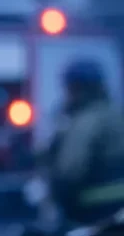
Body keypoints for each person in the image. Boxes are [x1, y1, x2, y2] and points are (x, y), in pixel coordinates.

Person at [47, 59, 124, 225]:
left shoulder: (86, 121)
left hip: (93, 212)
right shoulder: (116, 114)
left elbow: (71, 170)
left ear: (76, 88)